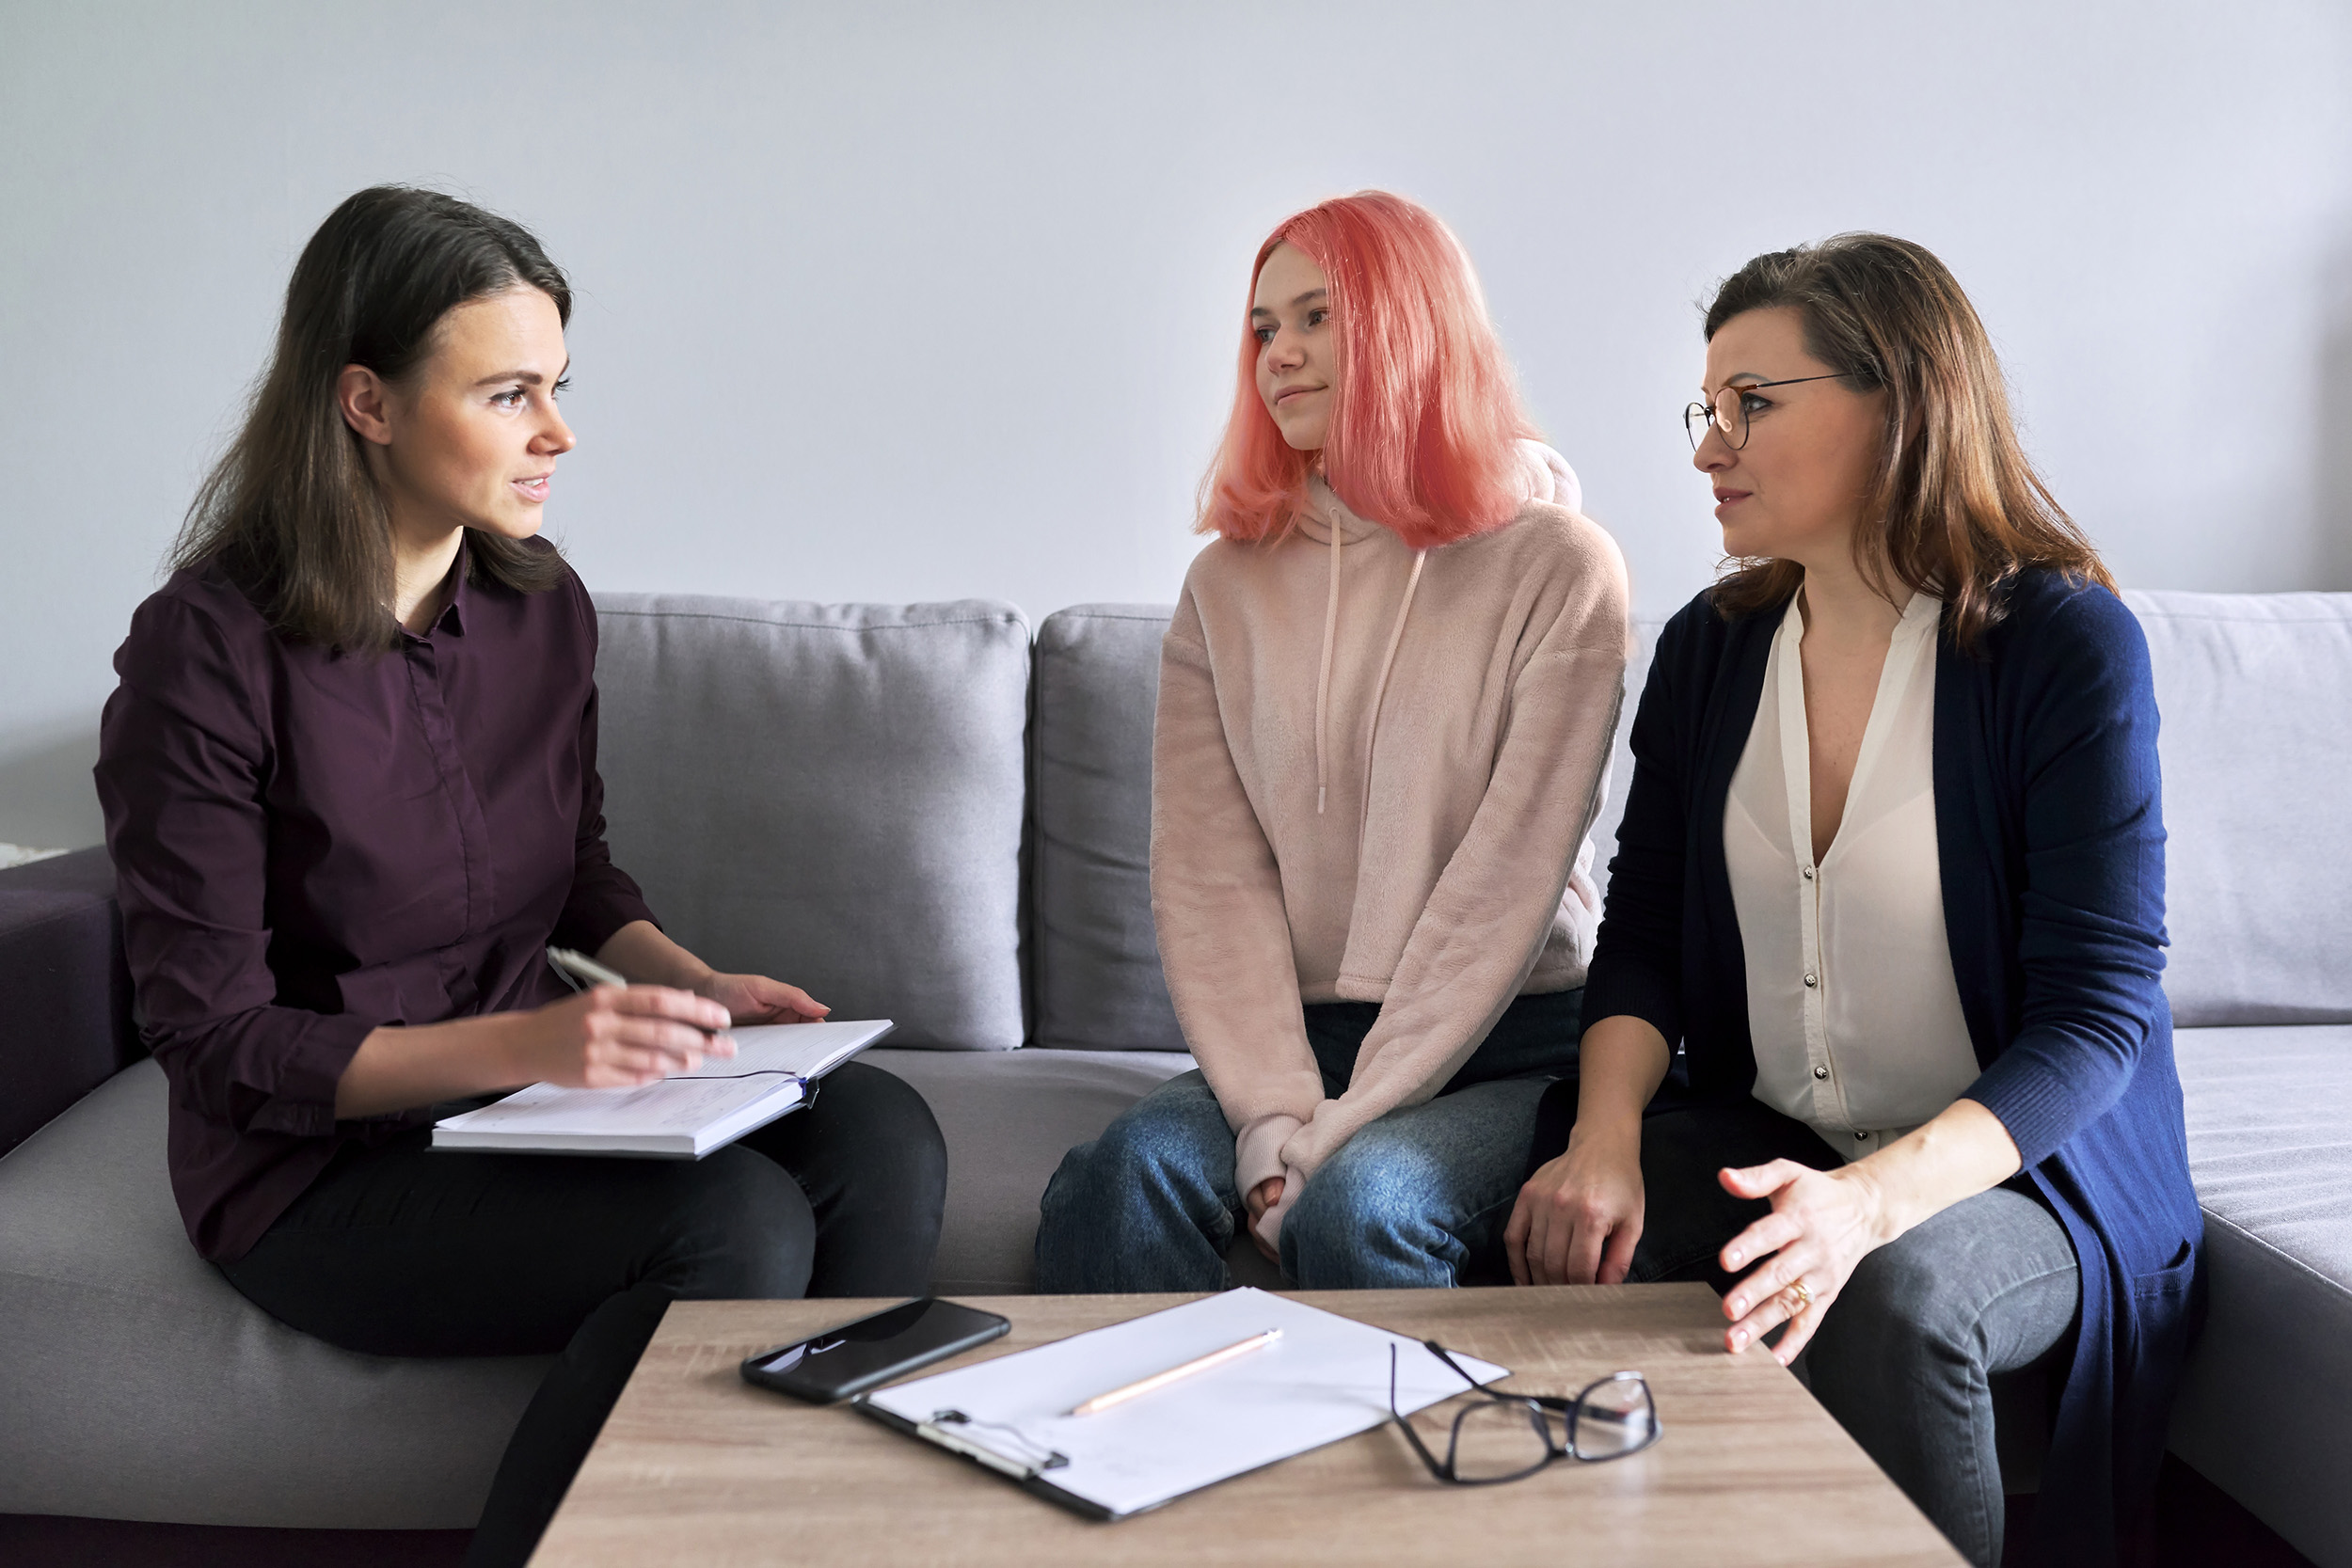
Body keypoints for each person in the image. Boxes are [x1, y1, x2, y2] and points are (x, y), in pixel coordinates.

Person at [93, 186, 947, 1568]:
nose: (559, 433)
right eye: (508, 394)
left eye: (556, 387)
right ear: (366, 402)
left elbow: (575, 872)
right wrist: (540, 1039)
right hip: (313, 1169)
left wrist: (688, 979)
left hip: (527, 1101)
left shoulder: (542, 605)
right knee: (726, 1223)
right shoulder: (206, 653)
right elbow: (212, 1042)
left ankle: (811, 1535)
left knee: (881, 1133)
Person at [1505, 234, 2201, 1568]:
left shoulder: (2062, 645)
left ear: (1901, 402)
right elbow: (1642, 933)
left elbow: (2099, 1019)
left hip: (2024, 1175)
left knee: (1899, 1290)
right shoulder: (1710, 652)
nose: (1710, 446)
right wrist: (1600, 1136)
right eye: (1705, 409)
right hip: (1778, 1136)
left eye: (1751, 404)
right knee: (1542, 1216)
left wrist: (1868, 1202)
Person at [1036, 190, 1629, 1291]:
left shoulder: (1560, 568)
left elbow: (1505, 883)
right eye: (1264, 328)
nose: (1279, 354)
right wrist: (1270, 1114)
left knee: (1364, 1206)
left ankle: (1396, 1469)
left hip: (1512, 1032)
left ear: (1408, 321)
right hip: (1297, 1039)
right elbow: (1210, 879)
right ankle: (1135, 1464)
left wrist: (1345, 1127)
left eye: (1317, 318)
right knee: (1115, 1179)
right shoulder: (1225, 583)